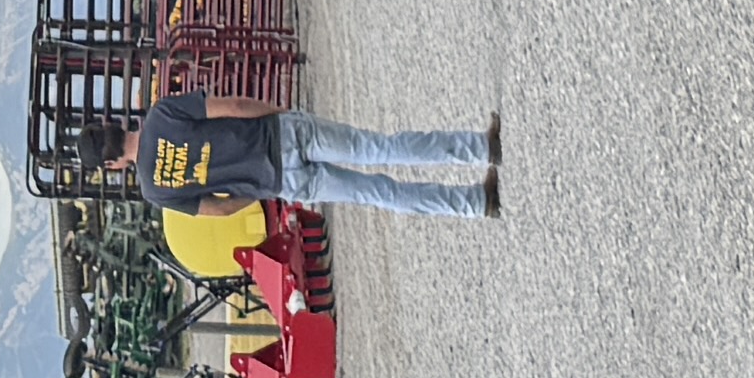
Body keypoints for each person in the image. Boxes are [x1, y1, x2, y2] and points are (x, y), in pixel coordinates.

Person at [125, 72, 496, 223]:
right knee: (378, 148)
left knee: (377, 193)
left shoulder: (156, 191)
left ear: (112, 164)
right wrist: (279, 112)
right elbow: (233, 108)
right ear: (113, 127)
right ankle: (479, 148)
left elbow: (219, 211)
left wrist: (257, 190)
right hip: (279, 135)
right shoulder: (161, 116)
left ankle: (476, 204)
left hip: (280, 182)